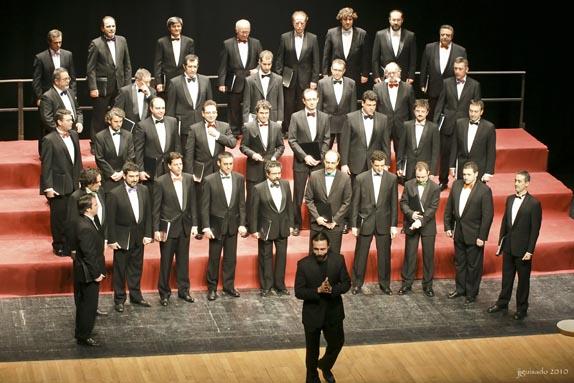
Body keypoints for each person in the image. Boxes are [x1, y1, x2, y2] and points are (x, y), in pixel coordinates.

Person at [294, 232, 351, 383]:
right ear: (312, 248)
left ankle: (325, 365)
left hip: (333, 312)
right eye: (316, 249)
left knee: (337, 343)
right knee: (312, 351)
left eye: (322, 249)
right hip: (313, 314)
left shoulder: (338, 260)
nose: (319, 253)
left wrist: (332, 290)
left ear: (328, 247)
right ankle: (312, 377)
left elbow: (346, 283)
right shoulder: (303, 264)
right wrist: (317, 290)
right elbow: (298, 292)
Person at [487, 171, 542, 320]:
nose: (516, 183)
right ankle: (502, 303)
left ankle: (522, 308)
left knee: (523, 281)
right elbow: (505, 223)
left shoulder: (534, 204)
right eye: (515, 180)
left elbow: (534, 230)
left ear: (527, 183)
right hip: (509, 246)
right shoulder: (510, 199)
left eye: (519, 181)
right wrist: (501, 242)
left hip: (523, 250)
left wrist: (530, 250)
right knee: (507, 278)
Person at [184, 100, 237, 237]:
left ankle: (217, 226)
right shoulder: (194, 128)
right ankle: (201, 227)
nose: (211, 115)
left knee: (218, 197)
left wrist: (218, 135)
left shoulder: (224, 126)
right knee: (202, 199)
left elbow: (232, 143)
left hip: (220, 168)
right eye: (208, 112)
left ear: (217, 113)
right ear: (203, 114)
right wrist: (190, 174)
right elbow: (189, 154)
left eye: (213, 112)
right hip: (201, 171)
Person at [444, 161, 494, 304]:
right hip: (459, 233)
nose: (465, 177)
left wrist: (482, 236)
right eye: (464, 174)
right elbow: (449, 208)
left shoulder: (484, 191)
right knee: (460, 263)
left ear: (476, 174)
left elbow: (487, 216)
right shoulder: (457, 185)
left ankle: (471, 293)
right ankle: (460, 289)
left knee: (473, 266)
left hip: (474, 235)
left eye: (468, 174)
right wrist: (448, 226)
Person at [106, 161, 153, 313]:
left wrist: (148, 234)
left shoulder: (144, 190)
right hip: (122, 237)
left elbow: (148, 214)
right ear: (124, 176)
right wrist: (112, 240)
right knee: (120, 270)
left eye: (136, 176)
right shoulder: (114, 194)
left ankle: (136, 295)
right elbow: (110, 219)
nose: (134, 179)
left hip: (139, 236)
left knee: (136, 267)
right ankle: (119, 299)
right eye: (131, 176)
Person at [153, 152, 198, 306]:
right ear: (169, 165)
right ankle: (164, 293)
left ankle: (184, 290)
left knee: (183, 260)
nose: (179, 166)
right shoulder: (160, 182)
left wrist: (195, 224)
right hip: (168, 227)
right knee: (166, 261)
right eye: (176, 164)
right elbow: (156, 209)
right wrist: (156, 230)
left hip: (185, 225)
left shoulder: (188, 178)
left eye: (181, 163)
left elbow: (193, 203)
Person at [350, 150, 398, 295]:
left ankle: (385, 284)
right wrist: (353, 224)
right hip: (366, 222)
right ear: (372, 164)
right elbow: (355, 203)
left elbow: (393, 203)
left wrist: (393, 225)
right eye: (377, 165)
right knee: (361, 255)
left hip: (383, 222)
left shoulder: (392, 178)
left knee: (384, 256)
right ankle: (357, 284)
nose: (379, 168)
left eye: (382, 165)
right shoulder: (360, 178)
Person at [201, 152, 247, 300]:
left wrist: (242, 224)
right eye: (225, 164)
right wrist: (206, 227)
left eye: (230, 164)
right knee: (214, 258)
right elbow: (205, 206)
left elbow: (241, 204)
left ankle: (228, 287)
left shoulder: (239, 178)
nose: (228, 166)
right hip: (216, 226)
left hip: (232, 225)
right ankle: (212, 288)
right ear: (219, 164)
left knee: (230, 258)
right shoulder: (209, 180)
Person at [40, 109, 83, 256]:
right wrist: (48, 187)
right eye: (68, 120)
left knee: (73, 217)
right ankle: (58, 245)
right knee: (59, 218)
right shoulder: (49, 139)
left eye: (71, 119)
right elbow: (46, 165)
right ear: (59, 122)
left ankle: (72, 245)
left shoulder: (74, 135)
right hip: (58, 185)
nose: (72, 122)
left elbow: (78, 162)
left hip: (74, 183)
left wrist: (81, 180)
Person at [288, 88, 330, 236]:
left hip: (318, 162)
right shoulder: (295, 116)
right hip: (301, 162)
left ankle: (321, 222)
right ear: (304, 101)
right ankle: (296, 224)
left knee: (320, 194)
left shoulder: (325, 117)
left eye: (314, 99)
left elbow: (327, 139)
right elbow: (292, 140)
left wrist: (320, 156)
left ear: (318, 99)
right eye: (309, 100)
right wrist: (305, 156)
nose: (312, 102)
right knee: (298, 196)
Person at [434, 57, 481, 189]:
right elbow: (440, 104)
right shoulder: (446, 83)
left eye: (460, 68)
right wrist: (435, 123)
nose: (457, 71)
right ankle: (443, 181)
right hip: (448, 125)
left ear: (467, 69)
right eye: (455, 68)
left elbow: (477, 105)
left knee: (464, 154)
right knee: (445, 154)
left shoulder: (475, 85)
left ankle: (464, 180)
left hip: (465, 126)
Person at [249, 160, 294, 297]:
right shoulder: (258, 188)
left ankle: (280, 285)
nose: (277, 176)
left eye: (279, 173)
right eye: (274, 173)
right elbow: (254, 211)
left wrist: (291, 224)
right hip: (266, 228)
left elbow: (290, 207)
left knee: (281, 257)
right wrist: (254, 230)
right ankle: (266, 286)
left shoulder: (285, 184)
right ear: (267, 174)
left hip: (282, 227)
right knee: (265, 257)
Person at [275, 11, 320, 136]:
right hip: (288, 78)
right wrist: (278, 78)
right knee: (288, 105)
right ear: (293, 23)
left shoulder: (313, 38)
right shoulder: (285, 37)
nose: (299, 25)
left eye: (302, 23)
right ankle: (288, 130)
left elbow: (316, 61)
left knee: (302, 105)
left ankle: (301, 131)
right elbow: (279, 59)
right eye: (297, 23)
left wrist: (314, 80)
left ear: (306, 23)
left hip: (306, 78)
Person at [87, 16, 132, 141]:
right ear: (102, 28)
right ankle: (96, 144)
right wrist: (93, 87)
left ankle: (116, 143)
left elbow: (127, 65)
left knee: (118, 115)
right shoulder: (96, 43)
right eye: (108, 26)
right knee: (99, 117)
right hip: (103, 87)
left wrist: (128, 85)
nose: (111, 29)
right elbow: (91, 68)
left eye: (113, 26)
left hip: (120, 86)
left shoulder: (122, 40)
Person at [399, 161, 440, 297]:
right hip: (411, 223)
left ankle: (428, 286)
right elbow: (403, 202)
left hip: (427, 225)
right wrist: (411, 214)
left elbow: (433, 208)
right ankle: (406, 284)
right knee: (410, 255)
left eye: (423, 177)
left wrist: (421, 221)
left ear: (428, 173)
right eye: (418, 177)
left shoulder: (435, 187)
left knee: (428, 256)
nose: (420, 179)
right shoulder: (409, 184)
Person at [240, 100, 285, 221]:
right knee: (252, 198)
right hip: (254, 167)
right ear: (256, 113)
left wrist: (275, 157)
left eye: (266, 113)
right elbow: (243, 146)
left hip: (271, 168)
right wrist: (252, 154)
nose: (264, 115)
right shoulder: (248, 127)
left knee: (270, 196)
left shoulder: (276, 127)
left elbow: (281, 146)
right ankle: (250, 224)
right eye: (261, 113)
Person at [217, 19, 262, 136]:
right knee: (234, 109)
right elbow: (223, 65)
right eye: (242, 32)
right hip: (234, 81)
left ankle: (251, 132)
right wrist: (221, 83)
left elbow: (261, 60)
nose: (245, 34)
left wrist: (257, 70)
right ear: (236, 31)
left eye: (247, 32)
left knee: (252, 108)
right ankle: (235, 132)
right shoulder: (227, 44)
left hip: (252, 82)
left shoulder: (256, 43)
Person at [304, 150, 352, 256]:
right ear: (324, 161)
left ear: (338, 162)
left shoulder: (345, 178)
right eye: (327, 162)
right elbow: (308, 199)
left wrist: (335, 220)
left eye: (332, 163)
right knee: (314, 257)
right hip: (317, 224)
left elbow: (347, 202)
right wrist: (317, 217)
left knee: (334, 258)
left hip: (334, 226)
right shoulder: (314, 175)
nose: (329, 165)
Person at [73, 194, 106, 347]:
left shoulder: (86, 222)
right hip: (89, 273)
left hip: (87, 270)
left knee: (86, 304)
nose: (98, 206)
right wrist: (97, 273)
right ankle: (83, 336)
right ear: (88, 209)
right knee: (88, 305)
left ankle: (83, 332)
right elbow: (89, 254)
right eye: (95, 205)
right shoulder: (85, 227)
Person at [340, 90, 391, 181]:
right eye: (369, 105)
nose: (372, 108)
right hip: (355, 164)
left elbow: (386, 144)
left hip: (375, 164)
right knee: (355, 194)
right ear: (362, 103)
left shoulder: (383, 119)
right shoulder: (350, 118)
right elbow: (344, 143)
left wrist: (386, 163)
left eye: (374, 105)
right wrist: (344, 164)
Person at [166, 54, 213, 150]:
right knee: (185, 154)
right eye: (190, 66)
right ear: (184, 66)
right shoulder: (174, 82)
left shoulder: (206, 80)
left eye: (195, 66)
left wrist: (211, 123)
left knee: (202, 153)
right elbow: (170, 108)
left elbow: (210, 104)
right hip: (184, 126)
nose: (192, 69)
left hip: (202, 124)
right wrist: (170, 130)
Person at [420, 25, 467, 119]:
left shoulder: (461, 50)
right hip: (433, 88)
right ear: (439, 35)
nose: (445, 37)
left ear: (452, 36)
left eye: (447, 35)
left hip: (452, 89)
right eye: (442, 34)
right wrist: (422, 84)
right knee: (431, 116)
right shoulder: (429, 47)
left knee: (449, 116)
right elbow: (423, 67)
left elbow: (463, 70)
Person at [133, 96, 181, 184]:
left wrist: (178, 165)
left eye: (163, 108)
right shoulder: (142, 125)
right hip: (151, 169)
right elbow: (138, 150)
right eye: (158, 108)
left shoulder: (172, 121)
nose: (161, 110)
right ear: (151, 109)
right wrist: (140, 170)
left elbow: (177, 145)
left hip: (169, 166)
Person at [372, 62, 415, 157]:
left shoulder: (408, 88)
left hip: (402, 125)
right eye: (389, 73)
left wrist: (412, 126)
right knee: (382, 153)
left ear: (399, 73)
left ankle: (400, 171)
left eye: (394, 72)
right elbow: (374, 109)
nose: (391, 75)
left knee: (402, 153)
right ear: (385, 74)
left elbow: (412, 109)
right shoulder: (377, 88)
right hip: (384, 126)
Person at [322, 7, 369, 90]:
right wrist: (325, 73)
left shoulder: (362, 33)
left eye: (350, 19)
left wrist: (365, 74)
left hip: (355, 74)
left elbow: (365, 56)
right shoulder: (331, 33)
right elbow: (326, 55)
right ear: (340, 20)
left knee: (352, 99)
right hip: (335, 73)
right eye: (345, 19)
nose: (348, 22)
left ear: (353, 20)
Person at [38, 67, 83, 154]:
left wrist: (79, 122)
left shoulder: (70, 92)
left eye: (69, 78)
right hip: (56, 139)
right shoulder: (47, 96)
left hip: (72, 134)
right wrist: (61, 133)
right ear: (56, 81)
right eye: (65, 79)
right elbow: (47, 119)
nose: (68, 81)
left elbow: (78, 110)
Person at [450, 100, 496, 182]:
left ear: (481, 112)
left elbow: (491, 151)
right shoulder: (459, 123)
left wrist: (488, 172)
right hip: (462, 168)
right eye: (471, 111)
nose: (473, 114)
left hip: (479, 170)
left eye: (476, 111)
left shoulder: (489, 127)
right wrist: (452, 166)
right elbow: (454, 146)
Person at [317, 59, 357, 149]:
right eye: (335, 70)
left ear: (344, 71)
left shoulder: (351, 83)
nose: (337, 73)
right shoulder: (322, 83)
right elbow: (319, 105)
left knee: (344, 153)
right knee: (324, 151)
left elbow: (353, 106)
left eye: (339, 70)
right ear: (331, 69)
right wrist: (319, 123)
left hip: (344, 123)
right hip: (327, 123)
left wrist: (353, 124)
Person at [94, 107, 136, 192]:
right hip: (107, 178)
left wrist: (122, 172)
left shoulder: (128, 135)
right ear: (109, 121)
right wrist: (112, 173)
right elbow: (99, 158)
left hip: (124, 177)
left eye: (121, 121)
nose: (119, 124)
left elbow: (131, 156)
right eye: (116, 121)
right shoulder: (100, 136)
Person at [397, 99, 439, 181]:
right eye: (418, 111)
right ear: (414, 111)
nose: (420, 113)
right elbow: (401, 148)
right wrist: (399, 166)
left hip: (425, 169)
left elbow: (435, 152)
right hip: (409, 167)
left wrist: (432, 171)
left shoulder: (433, 128)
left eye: (423, 111)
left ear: (427, 112)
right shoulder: (407, 125)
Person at [372, 9, 417, 85]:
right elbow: (375, 58)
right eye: (394, 20)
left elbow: (413, 59)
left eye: (398, 20)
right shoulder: (380, 35)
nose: (396, 22)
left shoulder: (410, 36)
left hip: (404, 77)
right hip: (384, 76)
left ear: (402, 20)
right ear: (389, 20)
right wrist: (376, 75)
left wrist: (411, 76)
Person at [33, 29, 76, 107]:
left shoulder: (68, 55)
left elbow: (72, 77)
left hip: (65, 93)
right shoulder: (40, 57)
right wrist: (39, 97)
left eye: (60, 42)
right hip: (48, 95)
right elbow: (36, 80)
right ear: (49, 42)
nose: (58, 45)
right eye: (55, 43)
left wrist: (73, 94)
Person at [154, 16, 195, 94]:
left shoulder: (189, 41)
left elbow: (192, 61)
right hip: (168, 79)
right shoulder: (161, 42)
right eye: (174, 26)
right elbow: (157, 63)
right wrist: (158, 82)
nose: (177, 28)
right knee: (169, 102)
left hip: (184, 77)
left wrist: (192, 76)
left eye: (178, 26)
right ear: (169, 28)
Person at [242, 50, 284, 125]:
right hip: (255, 117)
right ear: (259, 62)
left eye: (269, 64)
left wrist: (280, 119)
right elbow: (246, 102)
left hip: (273, 117)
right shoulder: (250, 80)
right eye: (264, 64)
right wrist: (246, 120)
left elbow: (280, 100)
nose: (267, 67)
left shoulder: (278, 79)